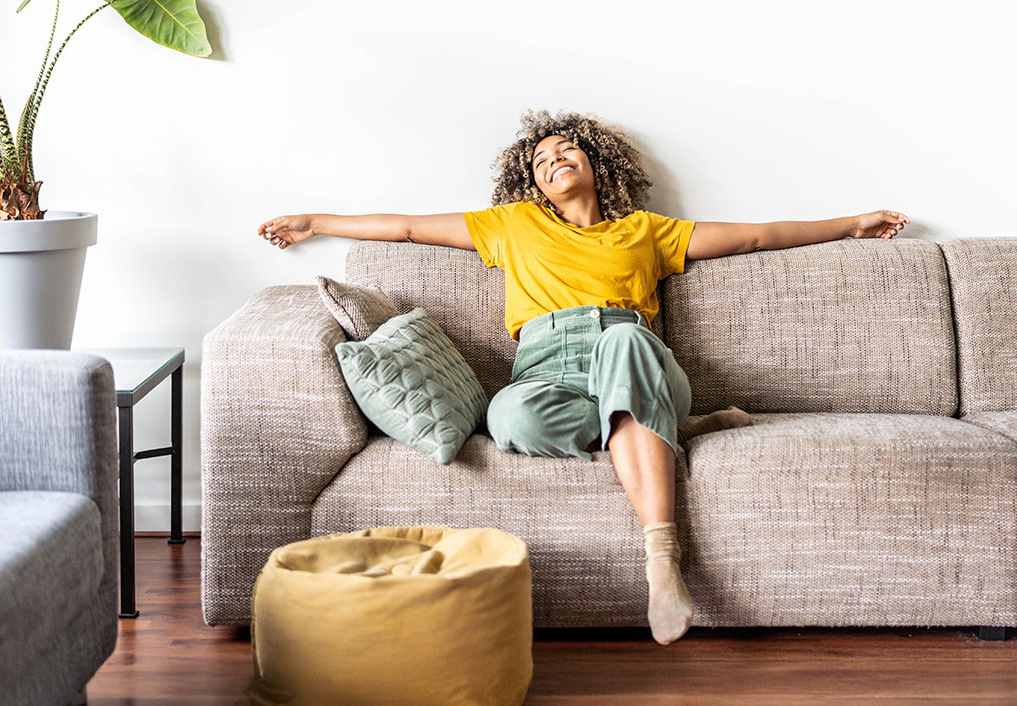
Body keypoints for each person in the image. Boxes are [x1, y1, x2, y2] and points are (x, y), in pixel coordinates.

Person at [257, 108, 911, 646]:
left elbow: (755, 238)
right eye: (541, 161)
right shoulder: (512, 226)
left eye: (567, 150)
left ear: (597, 165)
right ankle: (674, 427)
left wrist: (851, 224)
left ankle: (661, 560)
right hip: (546, 362)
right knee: (508, 418)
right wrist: (315, 222)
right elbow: (401, 227)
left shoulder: (645, 232)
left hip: (627, 346)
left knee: (626, 337)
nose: (554, 160)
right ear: (533, 185)